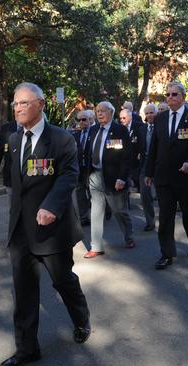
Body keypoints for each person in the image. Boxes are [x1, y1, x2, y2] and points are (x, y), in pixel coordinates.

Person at [1, 82, 90, 366]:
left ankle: (81, 319)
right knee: (24, 292)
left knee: (63, 281)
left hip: (51, 229)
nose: (17, 109)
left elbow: (68, 176)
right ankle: (27, 349)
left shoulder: (61, 139)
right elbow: (14, 184)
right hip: (21, 231)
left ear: (40, 104)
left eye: (23, 103)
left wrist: (51, 206)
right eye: (15, 104)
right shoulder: (14, 141)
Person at [145, 81, 188, 270]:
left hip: (185, 175)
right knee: (165, 218)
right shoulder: (160, 119)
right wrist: (149, 172)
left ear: (183, 97)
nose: (170, 98)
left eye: (174, 94)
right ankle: (167, 253)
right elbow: (153, 147)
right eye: (168, 94)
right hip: (164, 177)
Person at [83, 101, 135, 258]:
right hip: (95, 175)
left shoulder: (120, 130)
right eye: (97, 111)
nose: (99, 114)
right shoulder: (93, 130)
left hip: (114, 177)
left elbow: (127, 157)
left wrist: (122, 178)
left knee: (119, 210)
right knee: (96, 211)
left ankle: (129, 236)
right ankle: (96, 246)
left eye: (103, 111)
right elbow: (86, 152)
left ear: (111, 113)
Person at [71, 110, 94, 226]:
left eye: (83, 119)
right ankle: (84, 217)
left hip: (92, 169)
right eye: (78, 120)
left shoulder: (94, 133)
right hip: (80, 169)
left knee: (93, 193)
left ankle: (102, 211)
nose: (81, 122)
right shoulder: (75, 135)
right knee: (80, 193)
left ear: (89, 120)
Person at [140, 103, 157, 231]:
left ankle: (167, 220)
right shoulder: (142, 129)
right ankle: (150, 221)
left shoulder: (162, 127)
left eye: (151, 112)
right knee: (145, 195)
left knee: (163, 195)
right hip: (145, 165)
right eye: (147, 113)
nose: (149, 115)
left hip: (160, 165)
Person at [0, 120, 19, 189]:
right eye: (17, 108)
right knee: (12, 199)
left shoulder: (35, 126)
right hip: (11, 176)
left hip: (32, 177)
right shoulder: (6, 128)